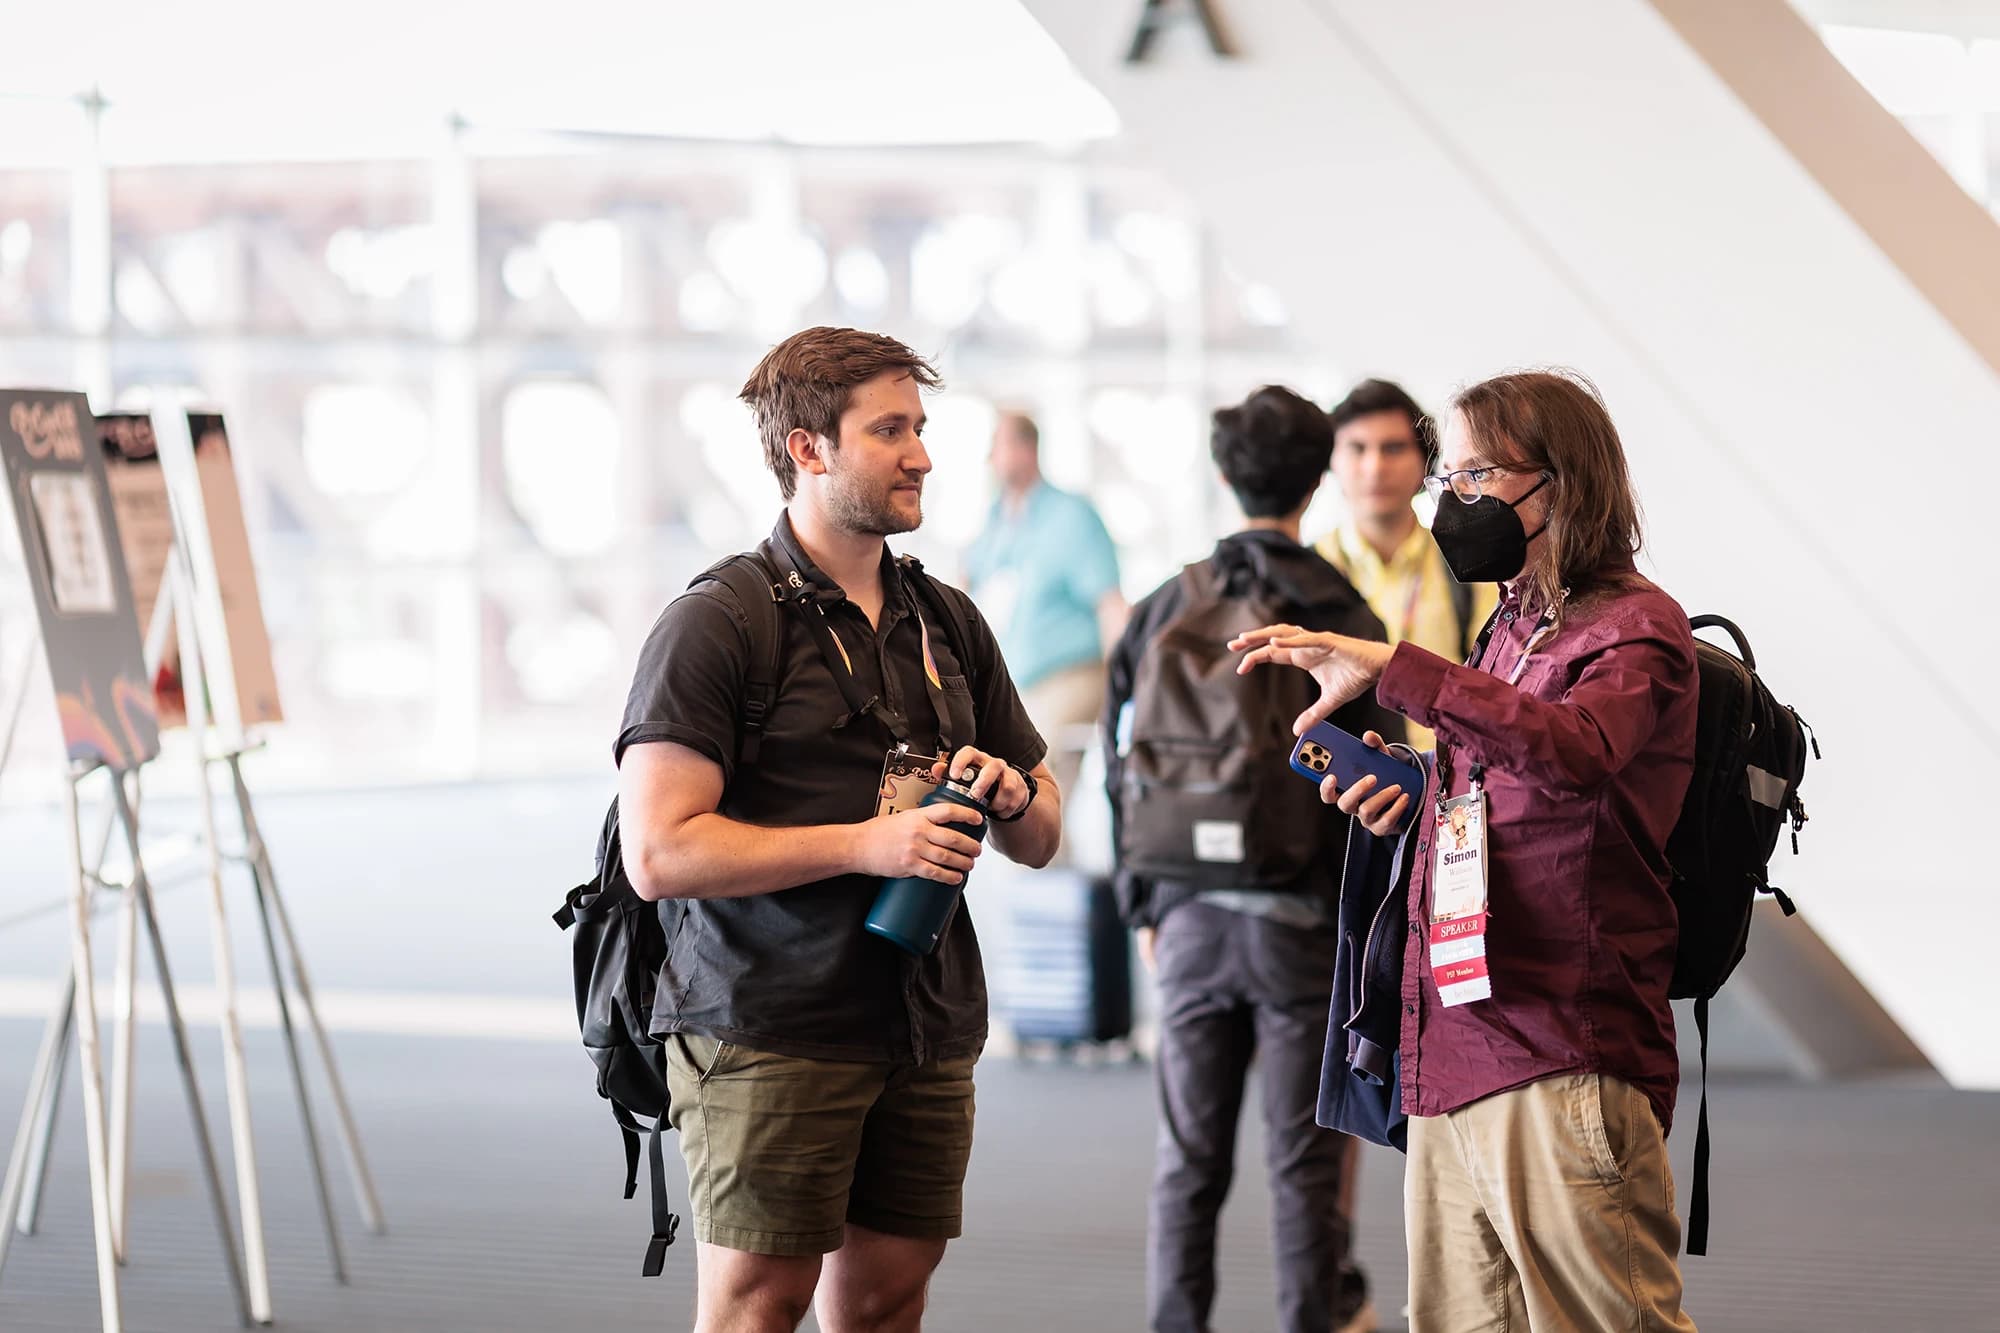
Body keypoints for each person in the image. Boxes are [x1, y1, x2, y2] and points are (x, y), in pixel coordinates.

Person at [615, 326, 1062, 1333]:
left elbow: (1043, 833)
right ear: (807, 448)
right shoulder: (720, 621)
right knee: (756, 1306)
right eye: (889, 429)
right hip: (770, 1021)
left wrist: (1013, 796)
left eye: (920, 426)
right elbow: (659, 852)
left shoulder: (944, 618)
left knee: (885, 1300)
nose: (922, 454)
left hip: (923, 1021)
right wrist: (865, 845)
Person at [1235, 370, 1700, 1332]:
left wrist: (1395, 667)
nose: (1451, 500)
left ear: (1558, 481)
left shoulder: (1636, 628)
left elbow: (1574, 753)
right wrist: (1410, 794)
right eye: (1449, 474)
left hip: (1562, 1043)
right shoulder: (1514, 621)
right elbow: (1502, 781)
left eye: (1476, 474)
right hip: (1453, 1042)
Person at [1105, 386, 1396, 1333]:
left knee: (1187, 1159)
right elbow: (1378, 781)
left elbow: (1121, 762)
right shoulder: (1336, 608)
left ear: (1226, 475)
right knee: (1302, 1164)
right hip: (1301, 928)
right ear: (1319, 479)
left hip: (1185, 917)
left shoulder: (1164, 604)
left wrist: (1143, 903)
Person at [1314, 379, 1498, 751]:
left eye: (1393, 448)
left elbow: (1495, 689)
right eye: (1357, 448)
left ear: (1425, 461)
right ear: (1331, 462)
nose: (1374, 467)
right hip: (1335, 779)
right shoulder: (1311, 569)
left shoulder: (1469, 566)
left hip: (1440, 780)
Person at [966, 411, 1126, 824]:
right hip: (1015, 678)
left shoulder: (1071, 516)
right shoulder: (997, 517)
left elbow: (1109, 603)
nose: (989, 459)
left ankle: (1046, 866)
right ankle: (1039, 869)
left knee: (1035, 764)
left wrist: (1123, 681)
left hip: (1072, 673)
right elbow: (969, 582)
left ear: (1025, 449)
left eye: (996, 447)